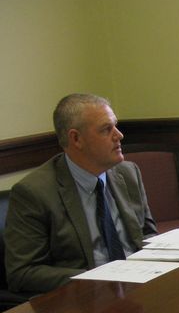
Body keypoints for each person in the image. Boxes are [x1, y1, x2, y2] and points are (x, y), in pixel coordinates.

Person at [5, 93, 157, 294]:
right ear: (76, 139)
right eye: (106, 129)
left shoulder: (127, 173)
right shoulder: (34, 192)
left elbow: (146, 234)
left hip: (141, 287)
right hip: (84, 300)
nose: (119, 135)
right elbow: (23, 273)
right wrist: (100, 277)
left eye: (116, 126)